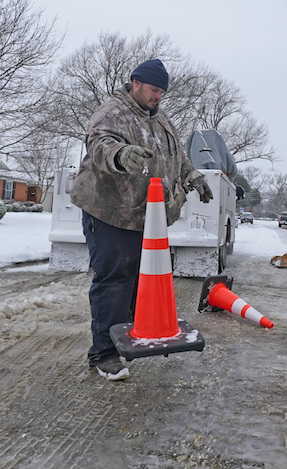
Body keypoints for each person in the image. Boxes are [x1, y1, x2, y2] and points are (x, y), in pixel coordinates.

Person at [70, 58, 213, 381]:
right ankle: (104, 354)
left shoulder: (160, 120)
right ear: (135, 83)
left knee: (135, 282)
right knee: (114, 282)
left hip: (143, 217)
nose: (158, 96)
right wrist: (121, 155)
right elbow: (100, 144)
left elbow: (174, 154)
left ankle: (127, 338)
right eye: (153, 89)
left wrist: (192, 175)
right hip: (108, 212)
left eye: (162, 91)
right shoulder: (113, 112)